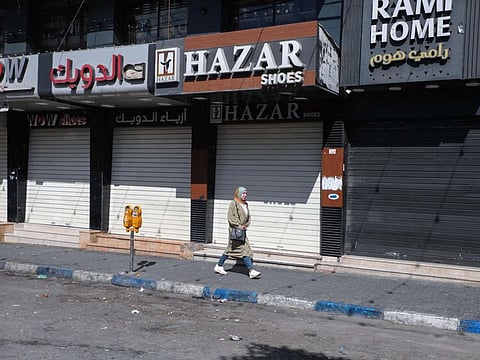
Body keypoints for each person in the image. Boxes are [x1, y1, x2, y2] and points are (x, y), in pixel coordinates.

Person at [214, 186, 261, 279]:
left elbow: (249, 216)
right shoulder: (233, 204)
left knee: (230, 249)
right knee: (245, 250)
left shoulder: (245, 204)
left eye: (246, 193)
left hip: (242, 231)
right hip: (235, 231)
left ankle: (219, 266)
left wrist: (246, 224)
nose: (245, 195)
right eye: (243, 193)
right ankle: (251, 270)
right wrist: (239, 226)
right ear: (238, 194)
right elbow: (231, 218)